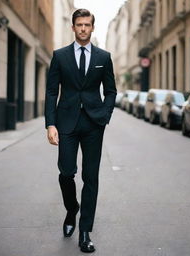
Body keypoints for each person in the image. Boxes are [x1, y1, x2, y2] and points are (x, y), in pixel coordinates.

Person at [44, 8, 116, 253]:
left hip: (94, 123)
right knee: (66, 172)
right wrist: (50, 123)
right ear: (73, 27)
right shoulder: (60, 56)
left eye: (87, 24)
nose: (83, 28)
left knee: (91, 177)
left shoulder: (104, 57)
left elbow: (111, 90)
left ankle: (85, 231)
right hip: (66, 122)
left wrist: (105, 115)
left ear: (92, 27)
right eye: (79, 24)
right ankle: (71, 208)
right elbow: (52, 91)